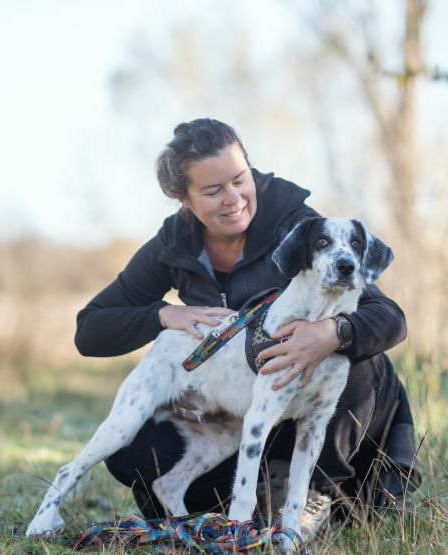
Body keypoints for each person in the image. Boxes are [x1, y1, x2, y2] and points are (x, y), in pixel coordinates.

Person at [75, 118, 419, 528]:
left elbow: (389, 317)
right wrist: (164, 313)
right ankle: (245, 503)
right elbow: (91, 328)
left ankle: (316, 495)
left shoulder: (295, 223)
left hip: (323, 414)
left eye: (240, 179)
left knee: (357, 355)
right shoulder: (173, 245)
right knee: (131, 451)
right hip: (240, 417)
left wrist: (332, 334)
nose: (233, 198)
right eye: (212, 190)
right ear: (183, 198)